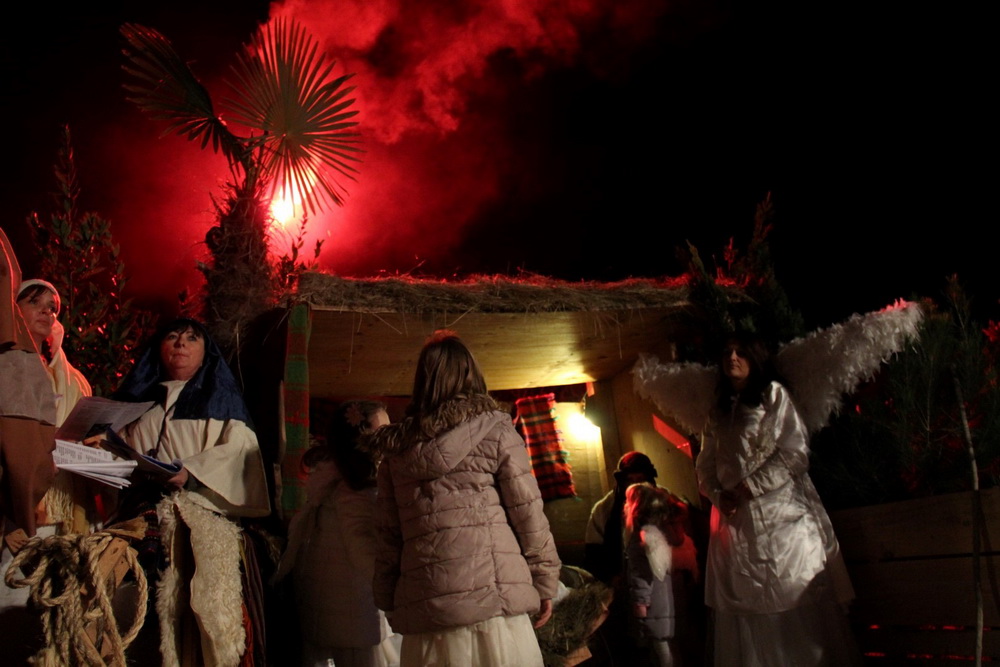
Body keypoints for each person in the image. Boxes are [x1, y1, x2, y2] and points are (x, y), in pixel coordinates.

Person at [371, 330, 560, 667]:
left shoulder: (396, 453)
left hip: (428, 611)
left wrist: (386, 595)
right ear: (471, 374)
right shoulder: (497, 432)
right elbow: (528, 514)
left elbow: (389, 535)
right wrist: (545, 581)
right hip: (494, 605)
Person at [114, 317, 270, 666]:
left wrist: (193, 474)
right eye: (172, 337)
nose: (181, 344)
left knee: (196, 614)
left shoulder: (221, 403)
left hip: (198, 522)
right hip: (144, 522)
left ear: (205, 352)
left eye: (191, 338)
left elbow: (240, 454)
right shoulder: (142, 404)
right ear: (159, 349)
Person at [695, 335, 858, 666]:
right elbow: (705, 462)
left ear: (755, 358)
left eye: (740, 352)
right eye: (727, 352)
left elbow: (794, 453)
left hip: (780, 517)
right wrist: (716, 494)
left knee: (788, 592)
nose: (733, 357)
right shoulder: (719, 410)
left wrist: (750, 487)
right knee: (746, 601)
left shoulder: (772, 395)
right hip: (736, 523)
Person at [275, 400, 395, 667]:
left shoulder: (332, 483)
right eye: (382, 431)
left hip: (330, 606)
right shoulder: (356, 492)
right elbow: (363, 549)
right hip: (352, 612)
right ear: (361, 439)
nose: (389, 438)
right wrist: (394, 589)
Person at [16, 279, 95, 534]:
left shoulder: (72, 380)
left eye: (52, 307)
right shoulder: (7, 366)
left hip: (62, 501)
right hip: (16, 503)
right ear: (13, 309)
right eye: (34, 302)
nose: (45, 311)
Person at [624, 482, 699, 667]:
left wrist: (640, 603)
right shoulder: (672, 533)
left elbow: (640, 575)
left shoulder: (642, 539)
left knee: (662, 650)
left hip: (654, 607)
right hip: (676, 606)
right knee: (675, 648)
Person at [584, 451, 659, 584]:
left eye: (640, 480)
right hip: (622, 582)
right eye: (631, 480)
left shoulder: (664, 502)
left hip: (661, 579)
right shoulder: (604, 509)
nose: (636, 486)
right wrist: (610, 578)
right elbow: (593, 552)